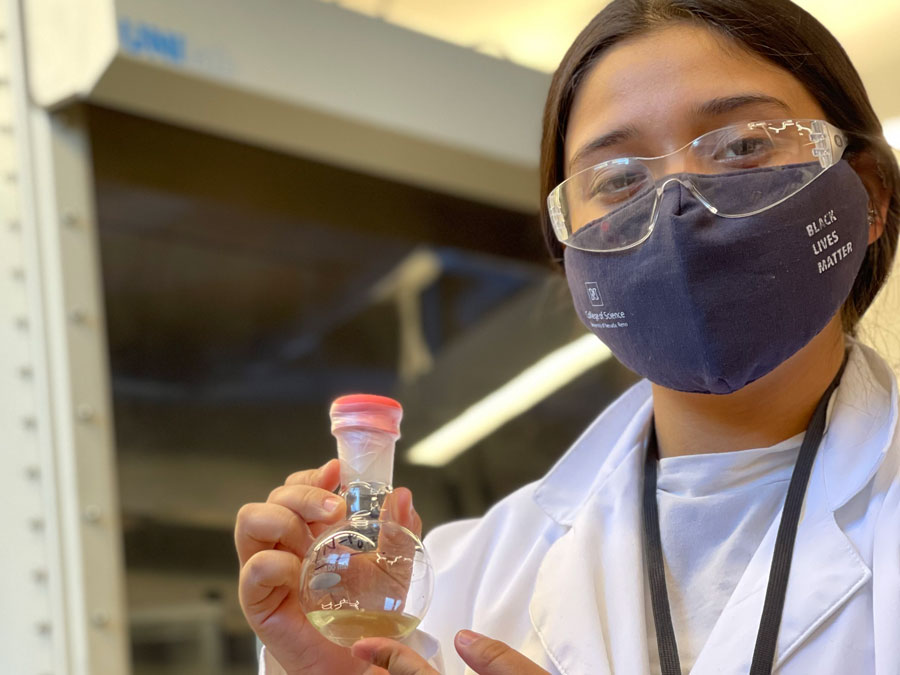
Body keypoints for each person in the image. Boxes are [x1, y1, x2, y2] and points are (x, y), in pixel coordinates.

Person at [234, 0, 900, 672]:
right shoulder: (465, 577)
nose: (676, 207)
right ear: (572, 252)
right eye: (617, 180)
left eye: (745, 145)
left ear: (869, 194)